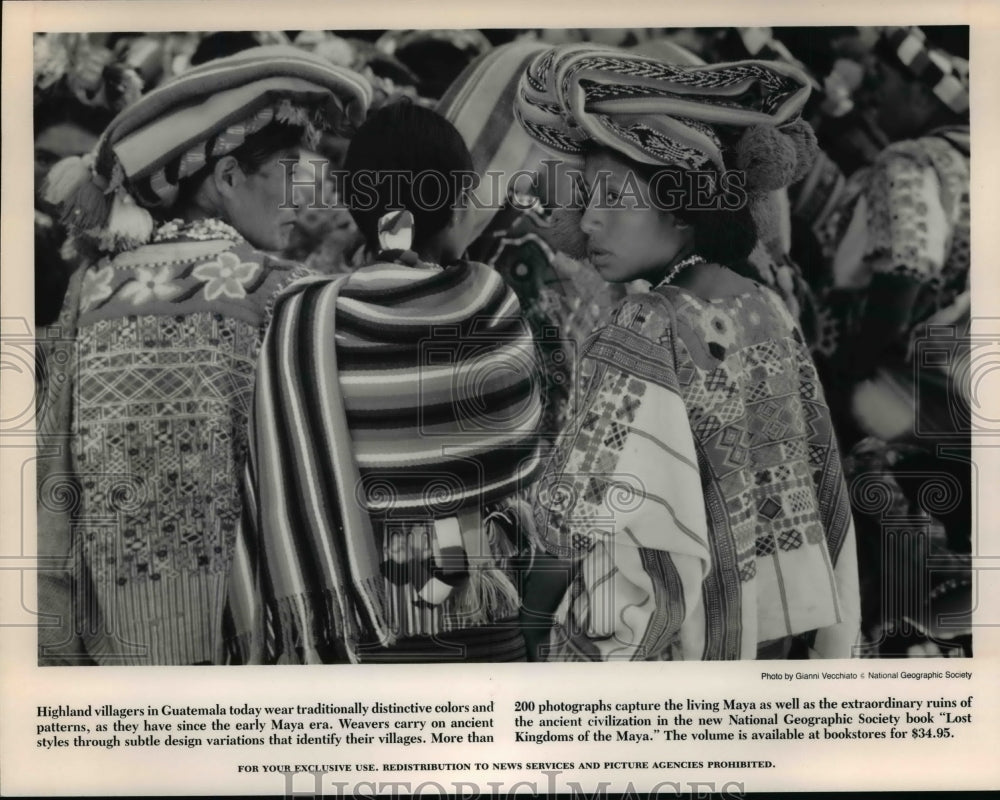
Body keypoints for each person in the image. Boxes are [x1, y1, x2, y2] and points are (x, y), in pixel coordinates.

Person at [515, 45, 860, 660]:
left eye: (612, 197)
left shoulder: (644, 326)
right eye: (588, 196)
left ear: (680, 205)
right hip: (767, 644)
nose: (588, 220)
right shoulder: (766, 308)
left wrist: (526, 627)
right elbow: (814, 482)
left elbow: (577, 509)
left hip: (676, 657)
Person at [39, 45, 373, 665]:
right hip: (245, 638)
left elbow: (52, 471)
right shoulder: (282, 289)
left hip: (115, 646)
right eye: (293, 179)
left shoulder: (91, 286)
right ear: (225, 179)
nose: (303, 204)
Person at [225, 101, 545, 664]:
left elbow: (285, 471)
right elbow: (519, 451)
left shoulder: (304, 317)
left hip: (359, 625)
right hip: (483, 619)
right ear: (453, 205)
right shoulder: (491, 302)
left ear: (357, 204)